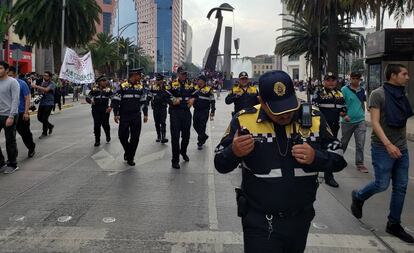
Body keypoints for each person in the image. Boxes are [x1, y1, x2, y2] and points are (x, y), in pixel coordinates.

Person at [215, 70, 347, 253]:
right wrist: (233, 152)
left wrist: (316, 157)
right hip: (259, 222)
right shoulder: (244, 120)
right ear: (262, 101)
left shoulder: (314, 118)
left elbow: (339, 159)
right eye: (278, 110)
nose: (285, 115)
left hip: (300, 220)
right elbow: (220, 163)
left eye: (289, 106)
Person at [351, 64, 414, 243]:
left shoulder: (402, 94)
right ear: (393, 75)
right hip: (382, 147)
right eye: (404, 74)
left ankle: (393, 224)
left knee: (401, 186)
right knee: (381, 184)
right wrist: (388, 145)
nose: (407, 77)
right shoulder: (378, 94)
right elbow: (375, 122)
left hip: (401, 148)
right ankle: (358, 196)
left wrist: (398, 146)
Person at [312, 72, 347, 188]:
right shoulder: (319, 93)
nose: (331, 82)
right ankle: (314, 173)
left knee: (330, 150)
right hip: (322, 127)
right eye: (328, 80)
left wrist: (344, 113)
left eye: (333, 80)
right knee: (318, 149)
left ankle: (329, 176)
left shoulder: (339, 94)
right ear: (324, 82)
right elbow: (314, 109)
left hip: (334, 126)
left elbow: (343, 108)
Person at [111, 68, 148, 166]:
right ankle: (128, 151)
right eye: (139, 75)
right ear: (134, 75)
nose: (140, 77)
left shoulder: (140, 87)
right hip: (124, 116)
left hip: (136, 116)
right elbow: (116, 101)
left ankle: (131, 157)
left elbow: (144, 102)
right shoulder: (122, 87)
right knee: (122, 136)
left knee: (135, 138)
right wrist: (116, 114)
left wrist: (145, 114)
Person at [165, 66, 196, 169]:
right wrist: (173, 99)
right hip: (175, 113)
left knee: (186, 136)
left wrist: (193, 99)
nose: (184, 76)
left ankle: (183, 151)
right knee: (175, 137)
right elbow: (166, 94)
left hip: (186, 112)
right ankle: (175, 160)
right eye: (182, 74)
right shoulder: (172, 84)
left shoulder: (190, 84)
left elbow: (196, 93)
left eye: (185, 74)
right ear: (178, 74)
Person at [340, 71, 368, 173]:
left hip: (360, 120)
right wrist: (344, 115)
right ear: (350, 78)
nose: (355, 80)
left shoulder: (361, 90)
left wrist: (363, 114)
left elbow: (362, 103)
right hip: (347, 121)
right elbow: (340, 105)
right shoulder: (344, 90)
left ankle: (360, 164)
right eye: (354, 78)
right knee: (344, 142)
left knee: (360, 143)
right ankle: (338, 158)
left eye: (358, 78)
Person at [8, 67, 36, 158]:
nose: (9, 77)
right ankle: (12, 158)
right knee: (10, 137)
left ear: (16, 75)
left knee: (25, 134)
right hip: (8, 114)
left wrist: (26, 112)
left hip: (21, 113)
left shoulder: (22, 84)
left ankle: (31, 147)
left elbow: (27, 98)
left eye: (10, 75)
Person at [0, 61, 20, 174]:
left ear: (7, 70)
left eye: (1, 68)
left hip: (9, 115)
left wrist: (11, 116)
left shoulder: (13, 82)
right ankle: (1, 163)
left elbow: (15, 100)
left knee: (10, 141)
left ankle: (13, 164)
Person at [86, 75, 113, 147]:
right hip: (96, 110)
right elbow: (88, 97)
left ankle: (108, 135)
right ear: (99, 82)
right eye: (103, 81)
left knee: (105, 124)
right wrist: (90, 101)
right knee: (97, 125)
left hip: (105, 110)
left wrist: (110, 107)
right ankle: (97, 140)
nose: (105, 82)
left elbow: (114, 99)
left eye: (105, 81)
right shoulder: (94, 90)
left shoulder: (108, 90)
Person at [193, 75, 215, 150]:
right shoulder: (195, 88)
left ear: (203, 81)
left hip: (204, 111)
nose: (198, 81)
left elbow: (212, 100)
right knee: (195, 125)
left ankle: (200, 142)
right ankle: (204, 136)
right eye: (198, 80)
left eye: (199, 80)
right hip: (196, 110)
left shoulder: (209, 89)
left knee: (202, 126)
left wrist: (213, 110)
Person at [31, 71, 56, 139]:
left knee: (45, 118)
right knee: (39, 118)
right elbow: (40, 92)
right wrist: (36, 95)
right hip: (42, 103)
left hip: (49, 103)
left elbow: (46, 90)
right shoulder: (42, 83)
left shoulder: (52, 83)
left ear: (50, 77)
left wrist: (36, 86)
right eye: (44, 75)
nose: (45, 77)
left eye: (46, 76)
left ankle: (44, 133)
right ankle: (50, 126)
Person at [148, 73, 169, 143]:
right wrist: (146, 102)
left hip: (163, 107)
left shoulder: (166, 87)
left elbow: (169, 96)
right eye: (157, 80)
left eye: (159, 80)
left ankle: (163, 136)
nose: (157, 81)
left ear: (162, 80)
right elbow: (150, 96)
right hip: (156, 107)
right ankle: (159, 136)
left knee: (163, 122)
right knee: (157, 122)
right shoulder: (153, 87)